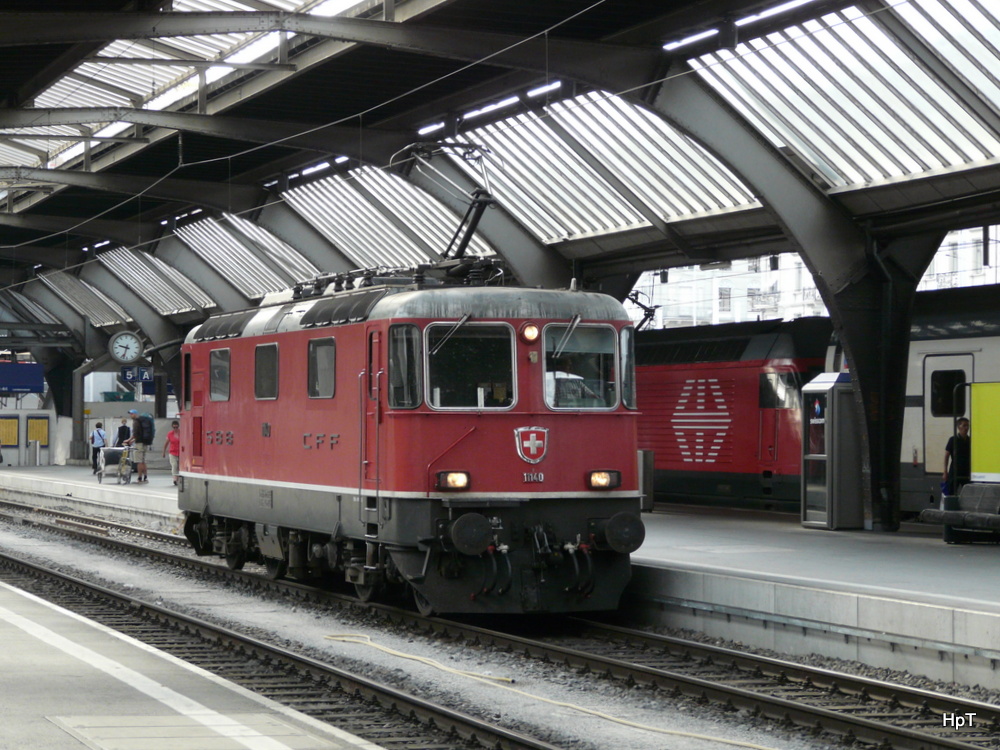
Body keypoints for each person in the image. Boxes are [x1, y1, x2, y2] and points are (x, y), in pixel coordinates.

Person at [942, 417, 971, 496]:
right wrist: (945, 471)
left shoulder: (970, 440)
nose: (966, 428)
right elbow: (946, 456)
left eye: (967, 426)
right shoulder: (952, 440)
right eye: (964, 425)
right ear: (958, 427)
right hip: (955, 470)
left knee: (969, 493)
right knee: (951, 492)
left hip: (966, 471)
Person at [125, 408, 151, 483]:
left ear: (135, 414)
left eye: (132, 414)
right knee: (143, 461)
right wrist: (133, 440)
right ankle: (145, 477)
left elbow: (135, 434)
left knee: (139, 461)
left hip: (139, 444)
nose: (131, 415)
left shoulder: (136, 422)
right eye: (130, 414)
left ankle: (139, 477)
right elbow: (140, 434)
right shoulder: (142, 422)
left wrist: (129, 440)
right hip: (144, 443)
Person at [163, 420, 180, 485]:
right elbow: (166, 443)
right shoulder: (170, 434)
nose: (175, 429)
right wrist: (164, 452)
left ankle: (178, 478)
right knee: (174, 465)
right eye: (174, 427)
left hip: (180, 452)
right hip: (172, 452)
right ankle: (175, 478)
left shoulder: (181, 433)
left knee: (179, 466)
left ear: (178, 427)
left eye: (176, 427)